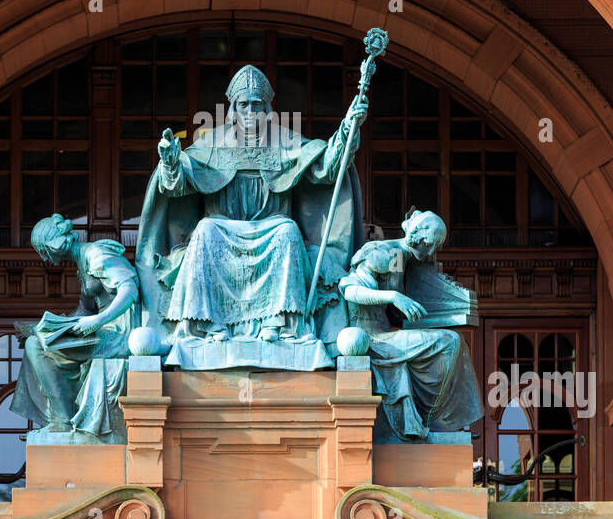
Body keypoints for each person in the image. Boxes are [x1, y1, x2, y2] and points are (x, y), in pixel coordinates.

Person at [136, 64, 366, 369]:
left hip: (272, 228)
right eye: (243, 105)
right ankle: (208, 325)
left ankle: (279, 323)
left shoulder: (286, 141)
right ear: (232, 108)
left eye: (257, 105)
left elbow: (326, 167)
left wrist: (348, 129)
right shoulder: (212, 142)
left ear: (268, 109)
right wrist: (170, 163)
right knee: (205, 229)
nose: (250, 112)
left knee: (287, 230)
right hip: (222, 228)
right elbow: (178, 184)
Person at [341, 210, 483, 441]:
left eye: (435, 247)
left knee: (455, 343)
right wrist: (394, 298)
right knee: (451, 342)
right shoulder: (384, 253)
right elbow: (350, 290)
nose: (430, 252)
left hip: (386, 333)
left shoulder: (401, 259)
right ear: (414, 235)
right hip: (373, 338)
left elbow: (395, 312)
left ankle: (440, 420)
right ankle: (432, 419)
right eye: (428, 244)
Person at [9, 214, 138, 439]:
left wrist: (98, 320)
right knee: (36, 340)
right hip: (105, 331)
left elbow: (129, 290)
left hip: (120, 334)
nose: (45, 260)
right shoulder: (83, 262)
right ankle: (61, 418)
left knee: (36, 347)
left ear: (53, 245)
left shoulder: (97, 255)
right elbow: (84, 311)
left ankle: (62, 420)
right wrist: (43, 328)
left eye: (44, 252)